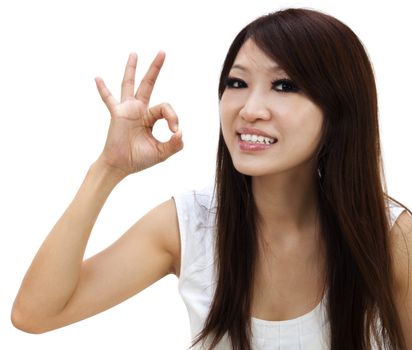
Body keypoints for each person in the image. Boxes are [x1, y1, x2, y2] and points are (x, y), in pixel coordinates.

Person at [11, 7, 412, 350]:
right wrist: (108, 169)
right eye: (237, 83)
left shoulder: (392, 238)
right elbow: (36, 313)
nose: (250, 108)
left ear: (340, 109)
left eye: (284, 85)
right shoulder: (191, 226)